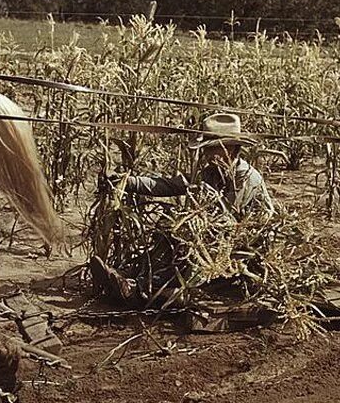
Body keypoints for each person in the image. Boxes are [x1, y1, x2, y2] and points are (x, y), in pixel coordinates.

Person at [88, 113, 274, 304]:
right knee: (168, 232)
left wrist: (192, 226)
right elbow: (168, 185)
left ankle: (140, 290)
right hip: (212, 240)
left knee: (185, 250)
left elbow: (226, 221)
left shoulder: (245, 179)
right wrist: (128, 181)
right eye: (206, 150)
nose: (206, 155)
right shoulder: (212, 173)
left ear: (232, 148)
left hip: (240, 248)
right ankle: (132, 277)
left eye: (212, 150)